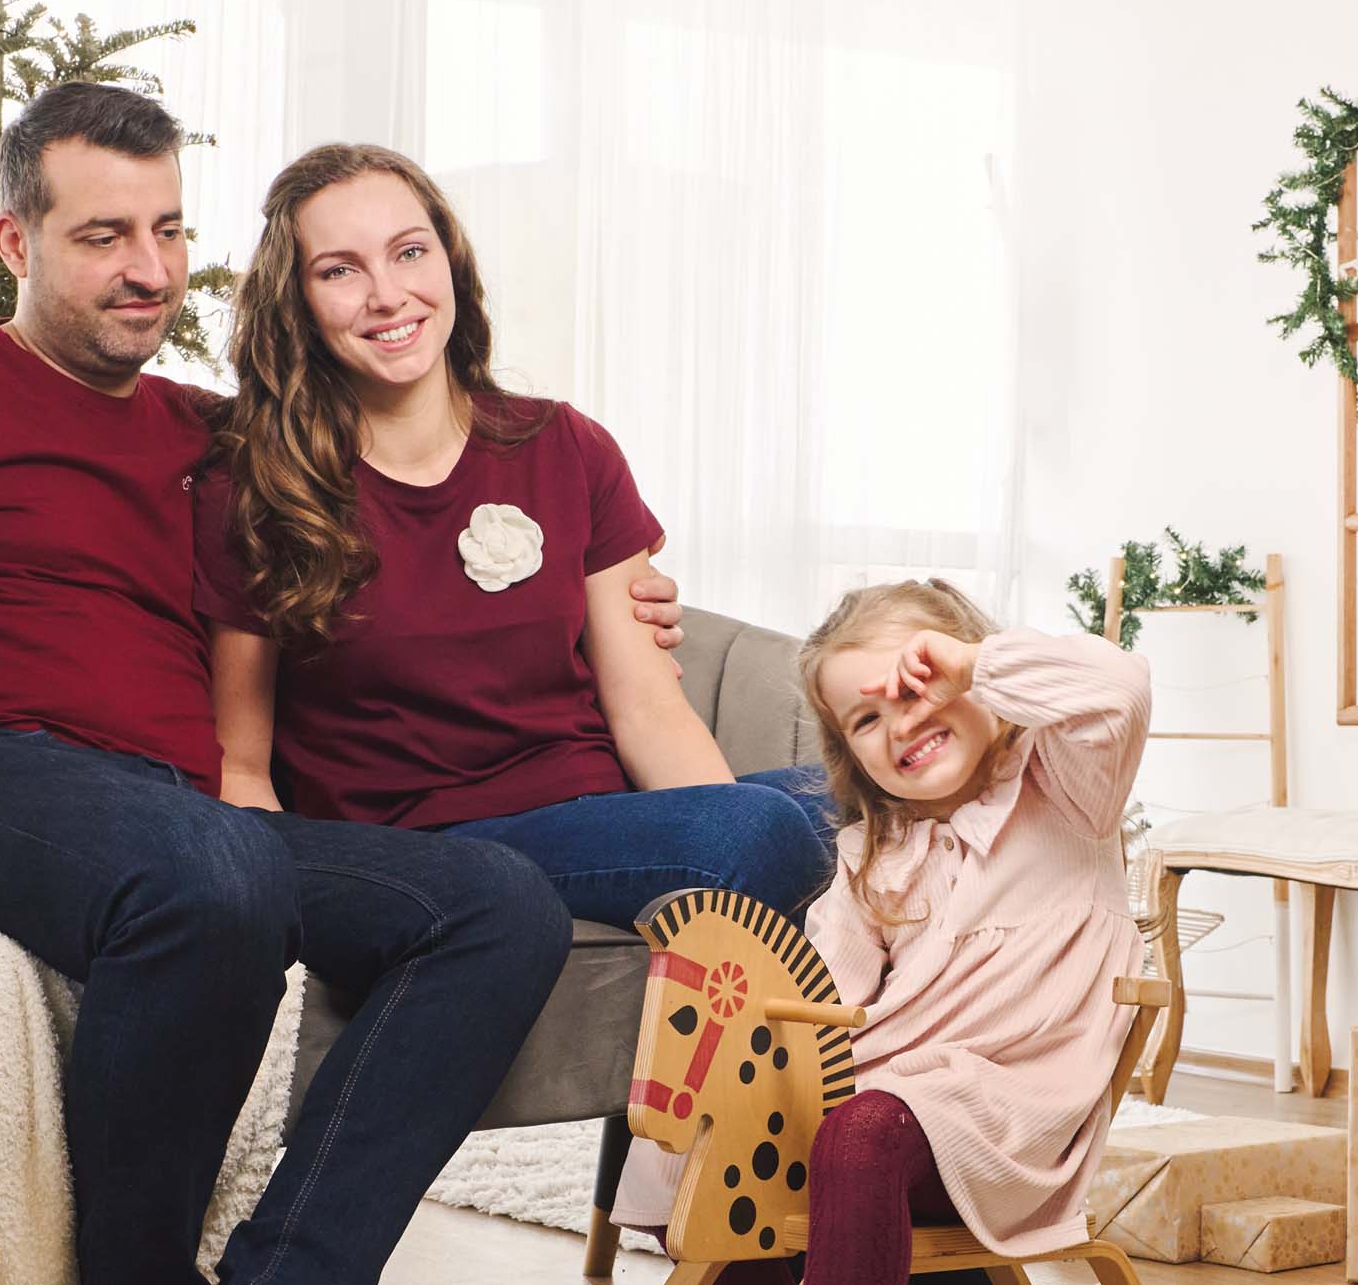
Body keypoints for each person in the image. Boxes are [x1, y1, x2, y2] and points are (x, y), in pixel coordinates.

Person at [0, 83, 681, 1285]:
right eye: (103, 237)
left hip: (178, 813)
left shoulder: (216, 436)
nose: (149, 270)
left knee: (498, 905)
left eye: (168, 230)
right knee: (215, 869)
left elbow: (404, 524)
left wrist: (603, 585)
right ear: (15, 241)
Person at [192, 143, 834, 938]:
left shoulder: (568, 447)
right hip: (433, 855)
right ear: (297, 301)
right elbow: (241, 762)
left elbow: (648, 709)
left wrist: (722, 840)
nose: (388, 295)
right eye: (340, 270)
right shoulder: (258, 487)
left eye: (409, 252)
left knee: (883, 798)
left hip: (603, 818)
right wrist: (280, 927)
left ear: (450, 261)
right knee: (763, 828)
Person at [787, 579, 1152, 1285]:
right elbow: (823, 1004)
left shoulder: (1066, 794)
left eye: (917, 684)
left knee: (863, 1133)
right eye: (865, 720)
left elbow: (1122, 688)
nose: (899, 723)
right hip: (890, 1097)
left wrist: (973, 665)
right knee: (750, 1136)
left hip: (1009, 1117)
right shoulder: (874, 857)